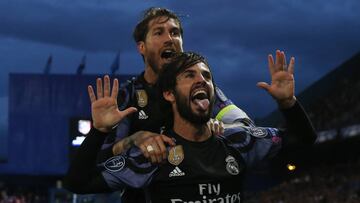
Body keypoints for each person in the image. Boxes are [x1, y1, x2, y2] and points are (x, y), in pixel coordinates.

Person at [64, 51, 317, 202]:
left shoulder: (239, 140)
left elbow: (304, 139)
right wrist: (99, 131)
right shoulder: (154, 154)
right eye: (189, 76)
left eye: (206, 76)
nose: (202, 81)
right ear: (169, 94)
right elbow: (78, 183)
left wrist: (288, 103)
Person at [95, 7, 252, 202]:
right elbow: (104, 156)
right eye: (159, 32)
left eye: (175, 32)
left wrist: (221, 127)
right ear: (141, 47)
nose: (169, 39)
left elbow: (246, 126)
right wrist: (134, 139)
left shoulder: (204, 91)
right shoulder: (128, 95)